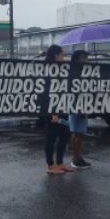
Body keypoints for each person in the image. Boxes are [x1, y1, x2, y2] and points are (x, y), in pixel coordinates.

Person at [44, 44, 74, 175]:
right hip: (50, 109)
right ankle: (51, 165)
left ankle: (60, 162)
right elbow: (46, 92)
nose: (64, 57)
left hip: (63, 107)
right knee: (51, 137)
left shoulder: (62, 69)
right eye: (62, 54)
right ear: (56, 55)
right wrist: (53, 112)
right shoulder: (46, 69)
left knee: (64, 135)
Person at [69, 49, 91, 169]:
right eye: (83, 57)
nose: (85, 60)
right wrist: (80, 108)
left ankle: (78, 157)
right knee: (77, 132)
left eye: (86, 57)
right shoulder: (74, 71)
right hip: (77, 105)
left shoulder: (85, 71)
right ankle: (76, 159)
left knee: (79, 133)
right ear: (76, 59)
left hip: (83, 104)